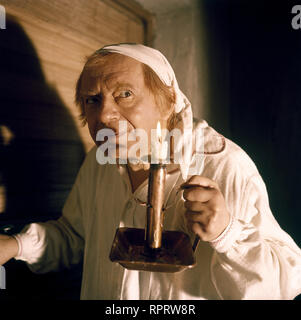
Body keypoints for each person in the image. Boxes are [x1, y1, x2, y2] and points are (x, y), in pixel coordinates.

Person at [0, 43, 301, 299]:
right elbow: (74, 235)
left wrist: (228, 233)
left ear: (168, 101)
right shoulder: (98, 161)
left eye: (125, 94)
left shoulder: (224, 164)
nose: (104, 115)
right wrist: (17, 244)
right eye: (93, 100)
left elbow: (286, 283)